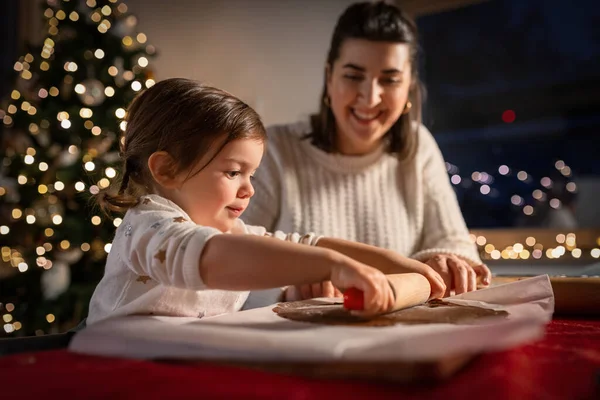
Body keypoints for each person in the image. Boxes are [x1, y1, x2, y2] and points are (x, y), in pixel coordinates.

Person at [87, 78, 449, 325]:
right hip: (104, 374)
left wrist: (403, 266)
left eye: (251, 175)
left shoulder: (228, 231)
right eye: (233, 173)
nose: (249, 190)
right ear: (166, 169)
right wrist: (333, 267)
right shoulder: (148, 227)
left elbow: (304, 243)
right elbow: (210, 258)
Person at [242, 1, 491, 297]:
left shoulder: (419, 146)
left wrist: (450, 261)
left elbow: (456, 244)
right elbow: (224, 263)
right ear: (329, 77)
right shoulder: (275, 150)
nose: (370, 97)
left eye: (390, 79)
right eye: (353, 75)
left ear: (409, 86)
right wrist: (286, 292)